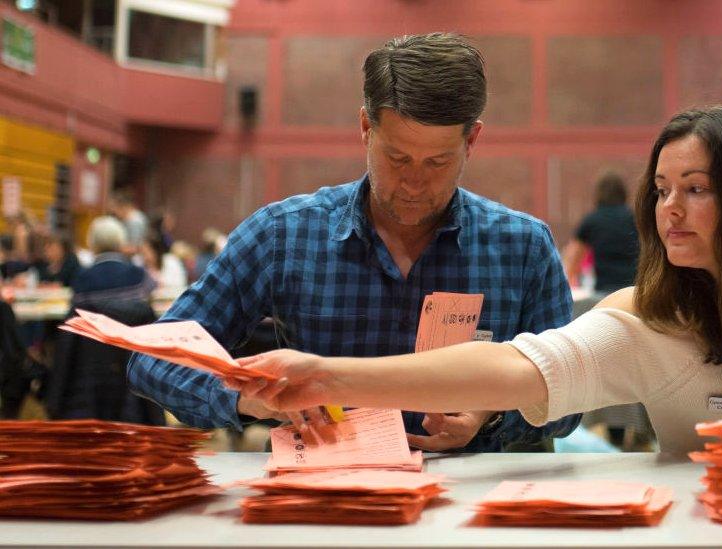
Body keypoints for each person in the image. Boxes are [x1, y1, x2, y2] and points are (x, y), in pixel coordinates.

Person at [230, 107, 722, 456]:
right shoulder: (648, 318)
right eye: (662, 188)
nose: (670, 207)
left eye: (695, 187)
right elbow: (513, 364)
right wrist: (329, 376)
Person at [127, 32, 580, 452]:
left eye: (438, 162)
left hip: (470, 506)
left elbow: (571, 398)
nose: (414, 184)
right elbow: (153, 359)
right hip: (326, 495)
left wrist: (495, 408)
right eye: (397, 157)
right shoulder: (284, 235)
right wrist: (250, 400)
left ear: (473, 140)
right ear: (366, 126)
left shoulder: (521, 248)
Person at [562, 172, 639, 295]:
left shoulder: (591, 221)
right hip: (632, 290)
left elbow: (573, 258)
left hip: (603, 291)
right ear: (623, 192)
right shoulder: (634, 219)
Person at [71, 216, 155, 308]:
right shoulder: (139, 275)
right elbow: (150, 307)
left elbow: (76, 314)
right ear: (121, 241)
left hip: (96, 323)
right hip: (131, 322)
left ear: (92, 243)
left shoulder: (82, 278)